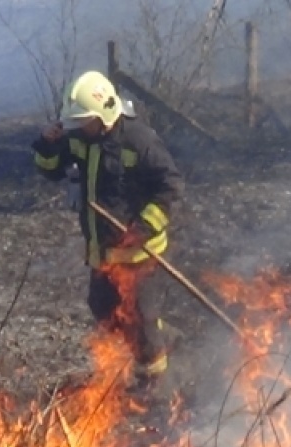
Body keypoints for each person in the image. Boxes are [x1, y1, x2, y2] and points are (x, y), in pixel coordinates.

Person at [32, 71, 184, 401]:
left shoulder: (139, 141)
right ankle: (161, 338)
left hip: (140, 255)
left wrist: (143, 227)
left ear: (104, 116)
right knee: (103, 308)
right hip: (102, 253)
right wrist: (48, 143)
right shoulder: (80, 139)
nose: (78, 128)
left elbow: (170, 187)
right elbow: (50, 169)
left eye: (83, 121)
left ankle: (155, 388)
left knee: (141, 320)